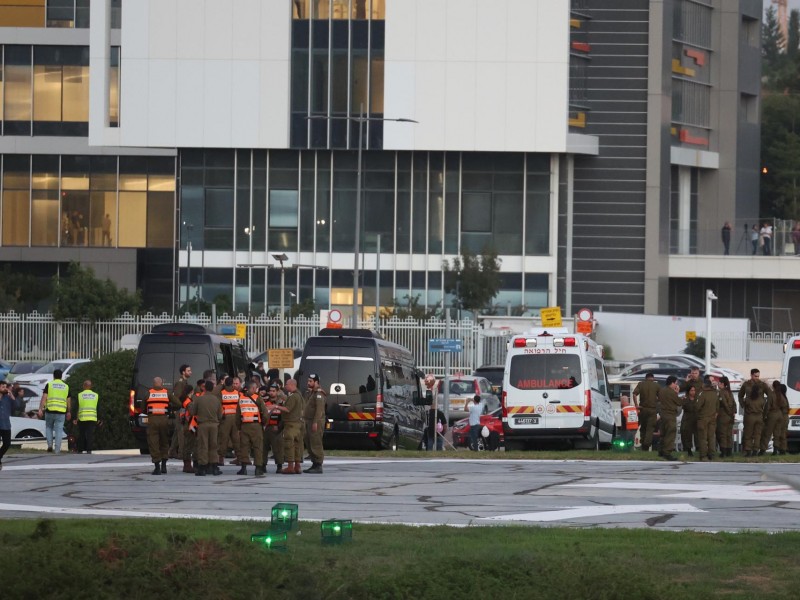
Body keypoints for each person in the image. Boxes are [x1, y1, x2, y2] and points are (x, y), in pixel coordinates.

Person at [144, 376, 177, 475]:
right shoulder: (167, 393)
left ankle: (157, 468)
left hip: (152, 421)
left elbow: (142, 409)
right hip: (164, 420)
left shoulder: (148, 393)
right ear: (161, 383)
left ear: (153, 383)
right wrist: (170, 409)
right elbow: (178, 403)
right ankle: (164, 466)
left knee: (153, 443)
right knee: (164, 442)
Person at [190, 381, 223, 476]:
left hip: (203, 425)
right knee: (214, 445)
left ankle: (202, 468)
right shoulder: (216, 400)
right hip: (214, 425)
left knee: (203, 445)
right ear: (212, 388)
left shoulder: (199, 399)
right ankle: (214, 467)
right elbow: (220, 415)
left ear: (204, 388)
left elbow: (193, 412)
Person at [236, 381, 267, 476]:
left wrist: (239, 428)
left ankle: (243, 468)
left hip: (244, 426)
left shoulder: (241, 399)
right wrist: (263, 423)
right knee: (258, 447)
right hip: (256, 426)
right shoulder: (258, 398)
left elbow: (237, 416)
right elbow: (265, 413)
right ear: (253, 388)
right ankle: (258, 469)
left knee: (244, 447)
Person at [37, 369, 71, 454]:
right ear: (61, 376)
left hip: (50, 410)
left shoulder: (49, 385)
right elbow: (68, 400)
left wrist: (40, 409)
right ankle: (57, 450)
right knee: (59, 430)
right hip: (61, 412)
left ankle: (49, 445)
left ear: (54, 376)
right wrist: (69, 411)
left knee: (49, 427)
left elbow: (44, 397)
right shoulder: (66, 386)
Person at [277, 379, 304, 474]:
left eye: (287, 384)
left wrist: (275, 407)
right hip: (298, 424)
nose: (285, 386)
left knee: (289, 445)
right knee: (297, 446)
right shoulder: (298, 395)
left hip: (291, 425)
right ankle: (297, 466)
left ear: (292, 385)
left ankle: (290, 467)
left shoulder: (293, 396)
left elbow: (287, 409)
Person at [303, 373, 327, 474]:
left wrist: (315, 422)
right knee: (309, 442)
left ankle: (318, 464)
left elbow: (319, 410)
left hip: (315, 421)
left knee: (315, 442)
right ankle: (314, 463)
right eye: (308, 381)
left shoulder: (319, 394)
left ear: (316, 382)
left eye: (310, 381)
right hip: (308, 420)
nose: (308, 383)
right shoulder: (311, 393)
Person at [169, 364, 192, 461]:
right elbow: (177, 397)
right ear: (183, 372)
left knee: (177, 431)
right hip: (180, 410)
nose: (190, 372)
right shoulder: (180, 383)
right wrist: (182, 405)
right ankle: (181, 453)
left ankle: (172, 451)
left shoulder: (185, 382)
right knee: (181, 431)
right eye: (188, 370)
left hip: (182, 409)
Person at [632, 372, 659, 451]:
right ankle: (646, 445)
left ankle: (643, 445)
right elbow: (661, 396)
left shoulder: (641, 384)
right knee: (650, 428)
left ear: (646, 378)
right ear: (653, 378)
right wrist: (656, 400)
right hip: (652, 409)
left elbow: (634, 394)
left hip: (642, 409)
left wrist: (636, 405)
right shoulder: (656, 385)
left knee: (643, 428)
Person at [217, 377, 240, 467]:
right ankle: (239, 458)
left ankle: (221, 459)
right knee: (236, 439)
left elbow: (219, 407)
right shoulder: (237, 393)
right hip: (235, 418)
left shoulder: (222, 393)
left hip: (225, 418)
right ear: (232, 384)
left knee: (223, 439)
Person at [657, 376, 682, 461]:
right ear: (672, 383)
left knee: (663, 434)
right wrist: (677, 393)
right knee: (670, 434)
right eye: (676, 383)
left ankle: (661, 451)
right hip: (670, 415)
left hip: (663, 415)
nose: (676, 385)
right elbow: (678, 402)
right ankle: (667, 453)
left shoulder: (662, 391)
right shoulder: (671, 392)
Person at [695, 376, 719, 461]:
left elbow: (697, 406)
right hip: (712, 418)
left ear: (704, 385)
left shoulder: (702, 394)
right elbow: (717, 406)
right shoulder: (715, 393)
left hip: (703, 418)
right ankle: (712, 455)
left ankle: (703, 455)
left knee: (703, 438)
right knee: (711, 437)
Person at [263, 383, 285, 473]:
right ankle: (262, 465)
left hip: (276, 428)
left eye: (273, 391)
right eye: (270, 391)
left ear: (277, 391)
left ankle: (279, 466)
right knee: (263, 448)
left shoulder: (281, 403)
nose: (271, 393)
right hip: (266, 428)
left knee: (278, 448)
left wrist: (279, 427)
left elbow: (284, 417)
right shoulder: (264, 402)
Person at [761, 380, 787, 456]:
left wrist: (764, 415)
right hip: (780, 415)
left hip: (772, 414)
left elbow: (768, 406)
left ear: (773, 386)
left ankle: (762, 450)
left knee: (767, 433)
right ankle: (775, 450)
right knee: (777, 434)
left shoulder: (771, 395)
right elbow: (785, 404)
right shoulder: (781, 395)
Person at [74, 380, 98, 454]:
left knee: (82, 434)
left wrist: (76, 418)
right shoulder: (95, 395)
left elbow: (77, 407)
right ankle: (89, 449)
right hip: (92, 418)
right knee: (90, 434)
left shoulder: (80, 395)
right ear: (91, 386)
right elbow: (98, 407)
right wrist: (99, 418)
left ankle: (80, 449)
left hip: (82, 417)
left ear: (84, 386)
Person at [715, 376, 737, 457]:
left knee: (723, 434)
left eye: (719, 382)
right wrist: (733, 412)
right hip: (730, 416)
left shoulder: (721, 392)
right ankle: (729, 451)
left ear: (722, 384)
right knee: (729, 434)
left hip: (724, 415)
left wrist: (729, 412)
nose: (717, 384)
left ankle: (724, 452)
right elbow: (734, 403)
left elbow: (724, 403)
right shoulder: (729, 392)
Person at [680, 385, 698, 457]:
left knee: (697, 435)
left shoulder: (698, 399)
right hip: (687, 418)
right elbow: (686, 407)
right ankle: (688, 450)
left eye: (694, 390)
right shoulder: (685, 399)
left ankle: (698, 449)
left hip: (696, 418)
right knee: (687, 435)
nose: (693, 392)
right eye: (691, 390)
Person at [0, 381, 14, 470]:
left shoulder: (8, 398)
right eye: (2, 387)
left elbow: (17, 406)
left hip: (5, 424)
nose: (5, 388)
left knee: (7, 443)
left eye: (6, 387)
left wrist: (11, 395)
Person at [775, 382, 790, 455]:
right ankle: (783, 449)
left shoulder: (780, 397)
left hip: (782, 417)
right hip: (786, 417)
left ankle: (781, 449)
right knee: (783, 434)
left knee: (780, 434)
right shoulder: (785, 397)